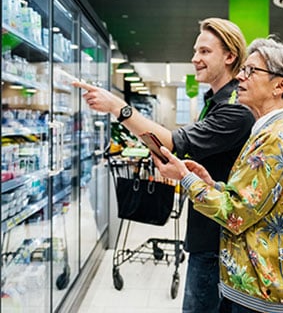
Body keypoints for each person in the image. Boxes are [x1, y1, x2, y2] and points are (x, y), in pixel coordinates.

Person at [72, 17, 255, 313]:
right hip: (207, 230)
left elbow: (172, 141)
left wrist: (117, 107)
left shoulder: (235, 109)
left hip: (216, 240)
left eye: (205, 51)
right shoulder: (215, 101)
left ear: (230, 56)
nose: (195, 58)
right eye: (195, 51)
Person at [152, 37, 283, 313]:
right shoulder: (268, 131)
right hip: (258, 286)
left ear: (280, 85)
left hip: (263, 294)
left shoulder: (274, 138)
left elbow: (235, 215)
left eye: (251, 71)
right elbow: (252, 200)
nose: (240, 75)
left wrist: (185, 179)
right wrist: (210, 183)